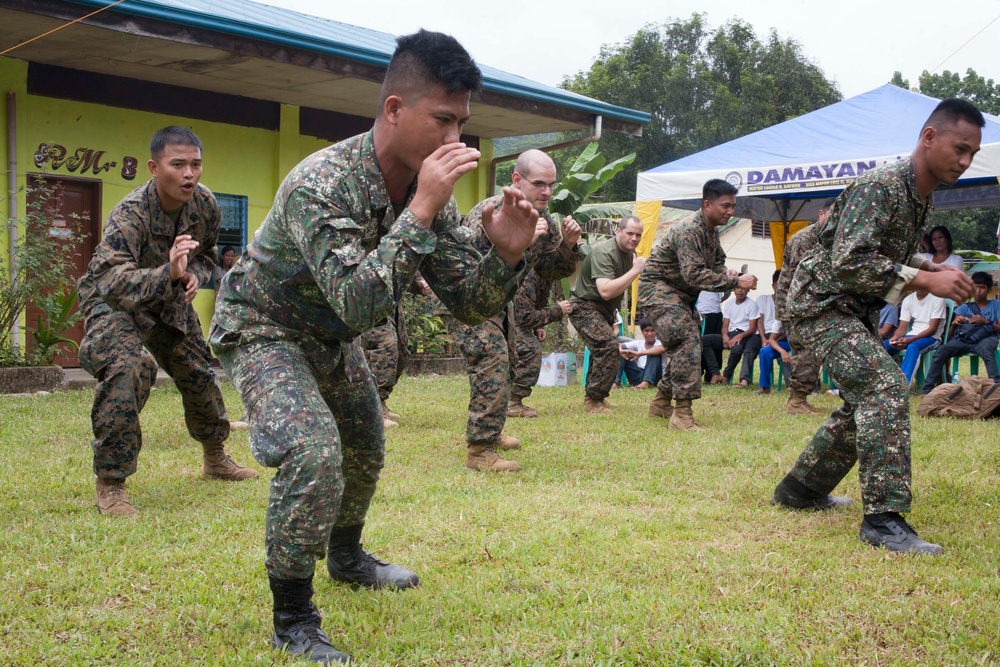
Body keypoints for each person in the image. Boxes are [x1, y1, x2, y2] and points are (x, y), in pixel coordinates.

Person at [209, 31, 544, 664]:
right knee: (314, 451)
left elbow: (470, 304)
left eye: (463, 124)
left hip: (330, 335)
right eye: (443, 121)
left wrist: (506, 250)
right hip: (264, 329)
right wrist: (419, 211)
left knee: (366, 440)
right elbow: (360, 305)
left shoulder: (427, 192)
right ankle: (293, 615)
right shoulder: (322, 183)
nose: (456, 142)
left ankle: (346, 556)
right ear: (394, 109)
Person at [772, 98, 982, 555]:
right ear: (929, 137)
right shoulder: (881, 185)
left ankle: (800, 490)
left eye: (973, 154)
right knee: (884, 385)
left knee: (863, 401)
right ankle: (883, 521)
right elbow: (851, 261)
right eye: (960, 148)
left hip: (851, 308)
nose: (965, 162)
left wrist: (930, 266)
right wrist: (928, 278)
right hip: (822, 304)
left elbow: (894, 251)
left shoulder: (920, 198)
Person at [77, 127, 257, 519]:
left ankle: (215, 456)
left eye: (196, 164)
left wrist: (193, 272)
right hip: (115, 304)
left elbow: (208, 255)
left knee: (198, 372)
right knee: (129, 368)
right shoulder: (130, 213)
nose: (189, 174)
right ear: (155, 168)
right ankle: (111, 481)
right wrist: (168, 273)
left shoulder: (206, 205)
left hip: (167, 298)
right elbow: (109, 278)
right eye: (178, 165)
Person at [453, 149, 581, 472]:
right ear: (516, 180)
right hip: (469, 297)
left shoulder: (546, 221)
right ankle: (479, 451)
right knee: (492, 359)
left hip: (500, 301)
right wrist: (516, 245)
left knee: (508, 363)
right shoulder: (491, 211)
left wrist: (567, 244)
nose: (547, 192)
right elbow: (464, 265)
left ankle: (490, 433)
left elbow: (550, 269)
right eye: (539, 183)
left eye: (551, 185)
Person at [637, 179, 758, 430]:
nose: (730, 211)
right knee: (688, 340)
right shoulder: (690, 230)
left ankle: (661, 402)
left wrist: (726, 272)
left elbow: (716, 264)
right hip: (659, 289)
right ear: (707, 204)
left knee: (688, 342)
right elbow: (694, 275)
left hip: (681, 294)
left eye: (733, 206)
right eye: (725, 206)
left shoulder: (711, 231)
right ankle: (681, 414)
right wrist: (734, 281)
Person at [569, 216, 645, 414]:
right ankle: (594, 400)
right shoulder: (604, 252)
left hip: (604, 311)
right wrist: (636, 270)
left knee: (600, 349)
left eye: (638, 235)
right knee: (609, 346)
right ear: (618, 232)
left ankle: (596, 397)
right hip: (584, 306)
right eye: (629, 233)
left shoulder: (629, 253)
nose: (634, 238)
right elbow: (606, 291)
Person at [361, 275, 431, 428]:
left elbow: (400, 263)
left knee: (402, 352)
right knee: (385, 350)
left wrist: (417, 282)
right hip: (369, 299)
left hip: (391, 301)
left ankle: (381, 402)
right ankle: (375, 410)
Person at [507, 269, 572, 418]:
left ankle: (508, 400)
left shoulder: (545, 275)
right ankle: (511, 401)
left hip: (514, 320)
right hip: (503, 319)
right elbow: (524, 316)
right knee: (530, 349)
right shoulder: (529, 274)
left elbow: (533, 307)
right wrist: (557, 310)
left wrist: (538, 326)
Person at [921, 271, 1000, 393]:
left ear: (989, 290)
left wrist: (986, 321)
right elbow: (949, 336)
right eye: (975, 287)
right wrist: (954, 324)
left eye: (982, 287)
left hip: (987, 338)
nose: (978, 291)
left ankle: (995, 388)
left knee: (986, 350)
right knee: (942, 350)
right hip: (964, 340)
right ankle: (927, 390)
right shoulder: (963, 307)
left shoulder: (996, 304)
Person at [884, 288, 946, 384]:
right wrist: (895, 337)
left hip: (932, 338)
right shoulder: (908, 299)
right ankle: (880, 383)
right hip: (912, 336)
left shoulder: (938, 298)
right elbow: (902, 328)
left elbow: (932, 329)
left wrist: (910, 340)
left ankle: (903, 386)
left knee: (913, 347)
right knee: (883, 345)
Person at [721, 285, 762, 387]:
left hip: (750, 334)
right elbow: (725, 325)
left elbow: (752, 328)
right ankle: (722, 376)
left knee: (749, 351)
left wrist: (740, 336)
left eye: (744, 288)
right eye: (738, 288)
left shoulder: (752, 305)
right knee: (708, 341)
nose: (740, 291)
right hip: (734, 333)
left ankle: (744, 380)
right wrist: (725, 335)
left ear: (748, 290)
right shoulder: (729, 304)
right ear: (733, 289)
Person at [756, 270, 788, 395]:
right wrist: (782, 351)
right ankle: (765, 387)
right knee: (764, 351)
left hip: (801, 342)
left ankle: (809, 387)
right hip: (784, 343)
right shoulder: (781, 312)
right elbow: (772, 339)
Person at [616, 318, 665, 389]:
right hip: (639, 376)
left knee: (654, 353)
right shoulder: (639, 343)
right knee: (623, 352)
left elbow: (662, 349)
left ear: (656, 331)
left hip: (656, 377)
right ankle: (615, 382)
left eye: (652, 331)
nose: (650, 334)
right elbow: (620, 345)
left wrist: (640, 353)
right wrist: (620, 349)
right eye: (646, 331)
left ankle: (646, 383)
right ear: (642, 332)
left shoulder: (660, 343)